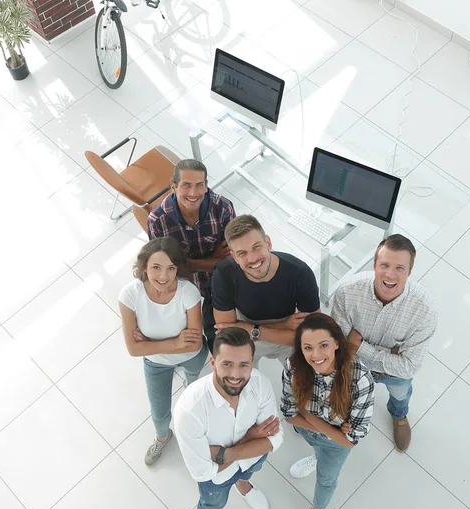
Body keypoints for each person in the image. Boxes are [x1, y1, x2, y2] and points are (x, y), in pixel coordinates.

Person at [173, 327, 283, 509]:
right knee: (211, 507)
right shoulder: (189, 411)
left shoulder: (259, 383)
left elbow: (275, 439)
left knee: (249, 470)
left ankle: (243, 485)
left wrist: (224, 453)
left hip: (246, 461)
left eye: (244, 364)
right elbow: (204, 472)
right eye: (227, 364)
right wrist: (252, 437)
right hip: (215, 479)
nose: (236, 374)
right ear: (213, 362)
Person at [331, 234, 437, 452]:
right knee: (346, 393)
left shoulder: (424, 311)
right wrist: (391, 353)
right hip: (352, 364)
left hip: (392, 374)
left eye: (399, 268)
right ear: (374, 265)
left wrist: (359, 346)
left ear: (409, 271)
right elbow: (339, 343)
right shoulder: (347, 292)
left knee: (400, 394)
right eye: (385, 265)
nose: (390, 274)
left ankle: (399, 415)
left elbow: (409, 366)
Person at [281, 313, 374, 509]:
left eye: (323, 345)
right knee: (316, 443)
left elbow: (350, 441)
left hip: (335, 445)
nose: (316, 355)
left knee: (326, 480)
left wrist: (309, 416)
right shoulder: (293, 367)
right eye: (308, 348)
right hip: (310, 433)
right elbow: (289, 413)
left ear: (336, 343)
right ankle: (316, 456)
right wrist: (332, 429)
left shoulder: (360, 379)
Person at [118, 237, 208, 466]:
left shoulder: (189, 292)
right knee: (159, 414)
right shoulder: (130, 295)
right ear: (144, 267)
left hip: (191, 357)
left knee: (192, 380)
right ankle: (163, 436)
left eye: (171, 268)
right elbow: (133, 349)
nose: (163, 277)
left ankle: (189, 383)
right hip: (155, 363)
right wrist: (177, 342)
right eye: (156, 268)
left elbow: (195, 344)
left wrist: (149, 341)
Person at [147, 159, 236, 352]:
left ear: (206, 187)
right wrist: (213, 259)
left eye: (199, 185)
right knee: (180, 333)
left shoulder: (223, 209)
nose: (193, 193)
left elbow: (231, 260)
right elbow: (166, 269)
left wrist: (185, 262)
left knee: (222, 334)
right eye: (186, 185)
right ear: (173, 186)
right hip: (180, 283)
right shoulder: (158, 221)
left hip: (219, 280)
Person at [212, 215, 320, 366]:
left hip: (284, 342)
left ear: (268, 243)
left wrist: (253, 330)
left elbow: (313, 336)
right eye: (242, 253)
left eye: (256, 247)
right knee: (240, 385)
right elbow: (230, 334)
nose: (252, 258)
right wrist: (283, 326)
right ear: (234, 257)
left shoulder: (300, 273)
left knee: (305, 386)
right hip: (246, 342)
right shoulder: (223, 275)